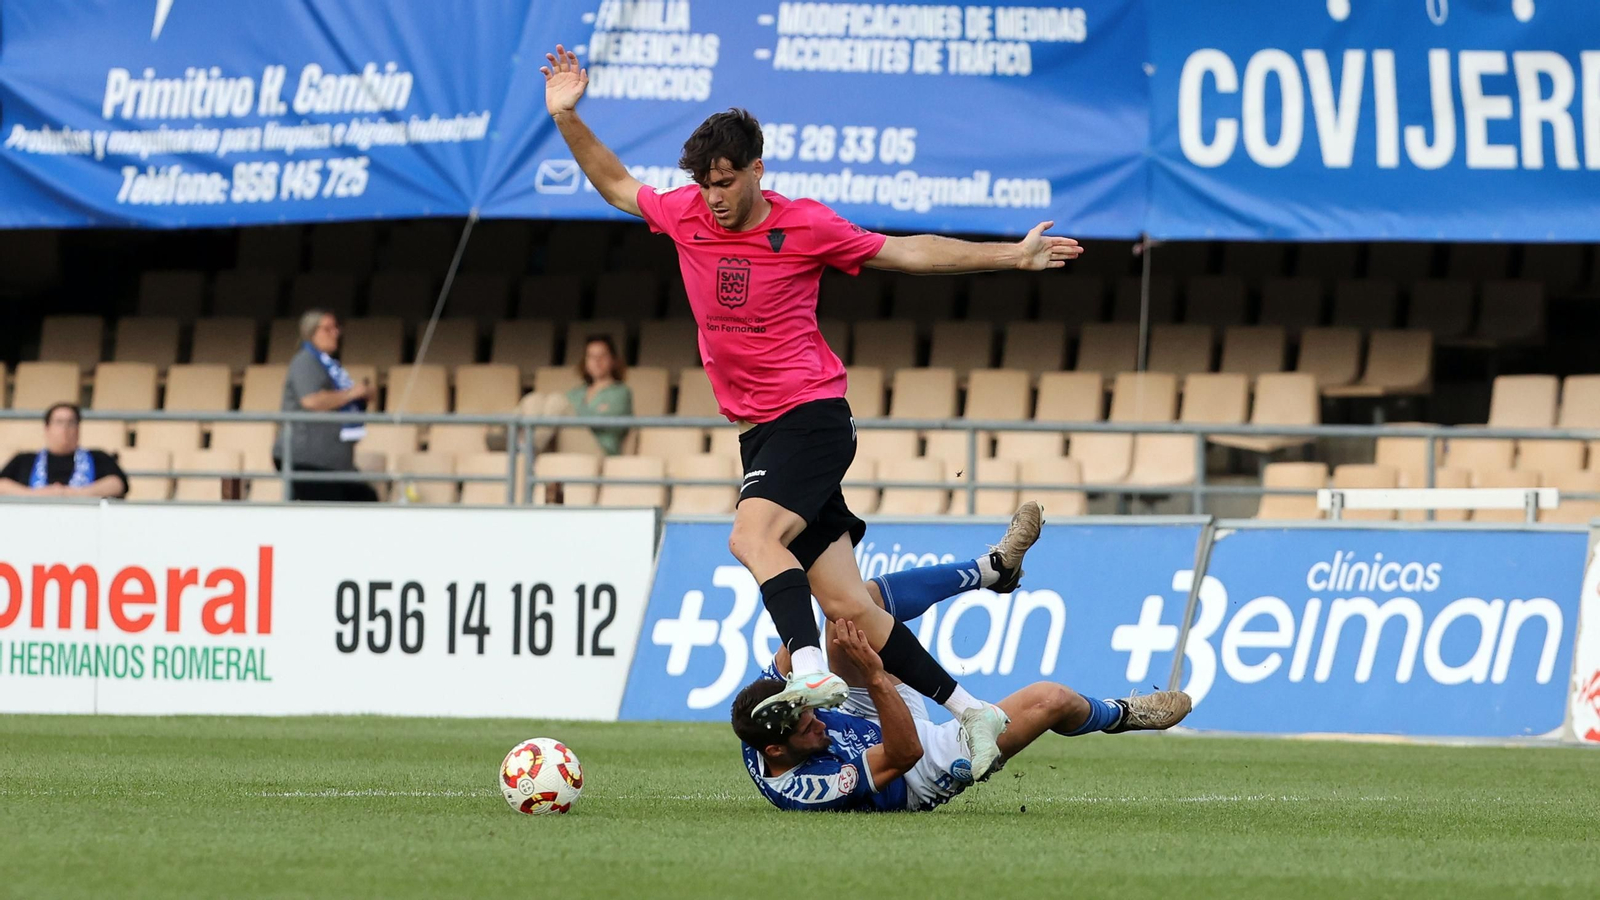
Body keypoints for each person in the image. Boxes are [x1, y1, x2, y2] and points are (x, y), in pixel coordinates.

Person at [543, 44, 1082, 778]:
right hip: (759, 433)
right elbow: (613, 182)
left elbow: (907, 252)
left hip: (812, 417)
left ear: (757, 170)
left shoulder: (804, 226)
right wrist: (568, 116)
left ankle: (803, 666)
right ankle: (971, 710)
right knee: (851, 610)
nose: (713, 197)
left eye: (726, 183)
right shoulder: (686, 214)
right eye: (704, 185)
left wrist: (1009, 258)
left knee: (750, 534)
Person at [732, 619, 1192, 813]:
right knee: (1051, 699)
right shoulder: (809, 788)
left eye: (813, 713)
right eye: (810, 726)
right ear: (776, 751)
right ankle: (1124, 714)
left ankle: (990, 570)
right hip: (913, 770)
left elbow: (793, 647)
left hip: (868, 714)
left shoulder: (764, 712)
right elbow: (905, 751)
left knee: (845, 617)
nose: (819, 721)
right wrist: (874, 674)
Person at [273, 309, 378, 502]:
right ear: (311, 333)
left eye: (336, 328)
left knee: (366, 500)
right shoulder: (305, 361)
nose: (335, 333)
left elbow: (340, 397)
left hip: (332, 462)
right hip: (307, 459)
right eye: (328, 329)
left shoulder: (329, 365)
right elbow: (311, 400)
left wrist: (360, 394)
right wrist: (352, 393)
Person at [0, 403, 128, 499]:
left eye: (71, 423)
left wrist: (75, 494)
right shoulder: (24, 460)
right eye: (59, 422)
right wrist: (36, 495)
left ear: (78, 429)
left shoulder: (97, 457)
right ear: (47, 428)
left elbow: (117, 484)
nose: (65, 428)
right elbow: (2, 484)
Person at [565, 334, 633, 455]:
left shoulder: (621, 392)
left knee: (557, 404)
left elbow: (605, 423)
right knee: (535, 400)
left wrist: (574, 413)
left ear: (612, 359)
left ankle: (525, 447)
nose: (597, 361)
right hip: (569, 445)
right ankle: (523, 445)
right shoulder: (576, 393)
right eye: (591, 356)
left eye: (602, 356)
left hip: (601, 450)